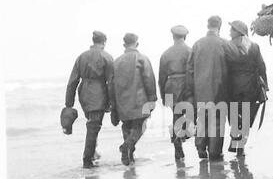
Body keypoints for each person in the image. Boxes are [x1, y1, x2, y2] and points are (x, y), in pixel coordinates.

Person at [186, 16, 239, 161]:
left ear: (207, 25)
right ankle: (215, 153)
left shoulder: (197, 45)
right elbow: (236, 65)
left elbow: (189, 71)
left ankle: (201, 146)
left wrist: (191, 92)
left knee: (202, 118)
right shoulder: (225, 44)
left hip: (200, 91)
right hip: (219, 89)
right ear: (219, 27)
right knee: (217, 120)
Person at [65, 30, 114, 168]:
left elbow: (72, 81)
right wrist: (112, 102)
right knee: (94, 126)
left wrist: (69, 103)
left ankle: (93, 153)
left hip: (84, 94)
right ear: (104, 42)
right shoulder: (107, 57)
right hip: (98, 93)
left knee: (92, 122)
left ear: (93, 41)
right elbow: (111, 82)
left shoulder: (81, 57)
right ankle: (87, 160)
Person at [109, 33, 157, 165]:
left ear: (124, 45)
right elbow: (149, 79)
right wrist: (152, 98)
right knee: (141, 126)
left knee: (127, 126)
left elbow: (111, 85)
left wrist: (113, 103)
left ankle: (129, 156)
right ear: (137, 43)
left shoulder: (116, 62)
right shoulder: (142, 58)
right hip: (139, 100)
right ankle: (126, 147)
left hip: (122, 102)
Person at [227, 20, 268, 157]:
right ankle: (241, 148)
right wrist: (265, 85)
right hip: (251, 87)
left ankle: (234, 140)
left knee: (234, 115)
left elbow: (223, 68)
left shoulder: (228, 47)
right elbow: (262, 66)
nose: (229, 31)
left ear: (237, 32)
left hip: (233, 87)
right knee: (246, 117)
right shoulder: (254, 46)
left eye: (232, 29)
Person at [158, 25, 192, 160]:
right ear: (185, 36)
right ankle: (182, 135)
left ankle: (177, 142)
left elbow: (161, 77)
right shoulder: (191, 51)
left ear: (173, 37)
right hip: (186, 85)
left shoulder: (166, 54)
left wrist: (163, 95)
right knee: (191, 115)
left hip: (171, 86)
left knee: (176, 115)